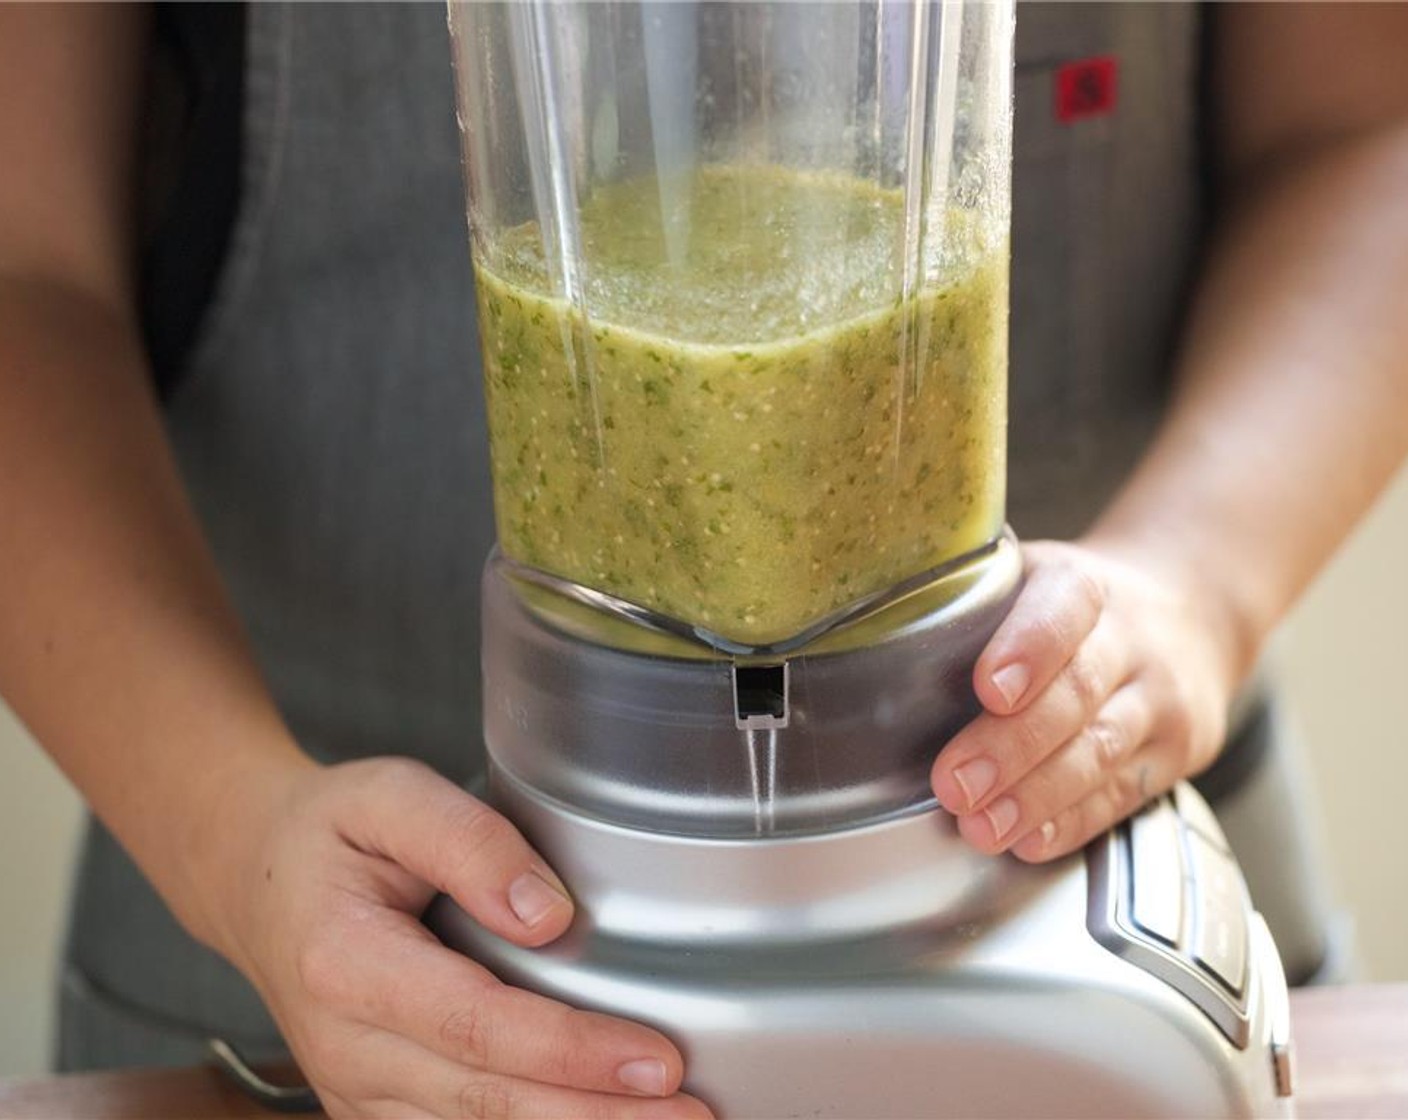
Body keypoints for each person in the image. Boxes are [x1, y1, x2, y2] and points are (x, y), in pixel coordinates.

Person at [1, 3, 1405, 1118]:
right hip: (295, 933)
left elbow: (1364, 125)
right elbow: (25, 270)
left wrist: (1200, 587)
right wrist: (239, 838)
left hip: (1092, 828)